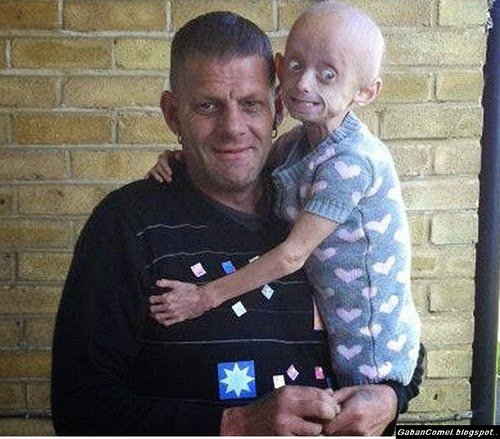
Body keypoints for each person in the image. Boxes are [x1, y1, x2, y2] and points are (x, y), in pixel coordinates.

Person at [51, 10, 424, 436]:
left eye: (251, 104)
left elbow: (390, 323)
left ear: (277, 109)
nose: (233, 128)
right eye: (208, 106)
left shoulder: (310, 205)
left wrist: (391, 396)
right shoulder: (126, 225)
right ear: (172, 114)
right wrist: (234, 425)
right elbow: (79, 409)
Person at [148, 2, 420, 389]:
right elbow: (243, 163)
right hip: (334, 340)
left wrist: (203, 297)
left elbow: (293, 255)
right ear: (278, 67)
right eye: (295, 65)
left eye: (328, 75)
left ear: (366, 91)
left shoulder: (351, 162)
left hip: (369, 351)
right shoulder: (298, 144)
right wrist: (182, 157)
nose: (304, 83)